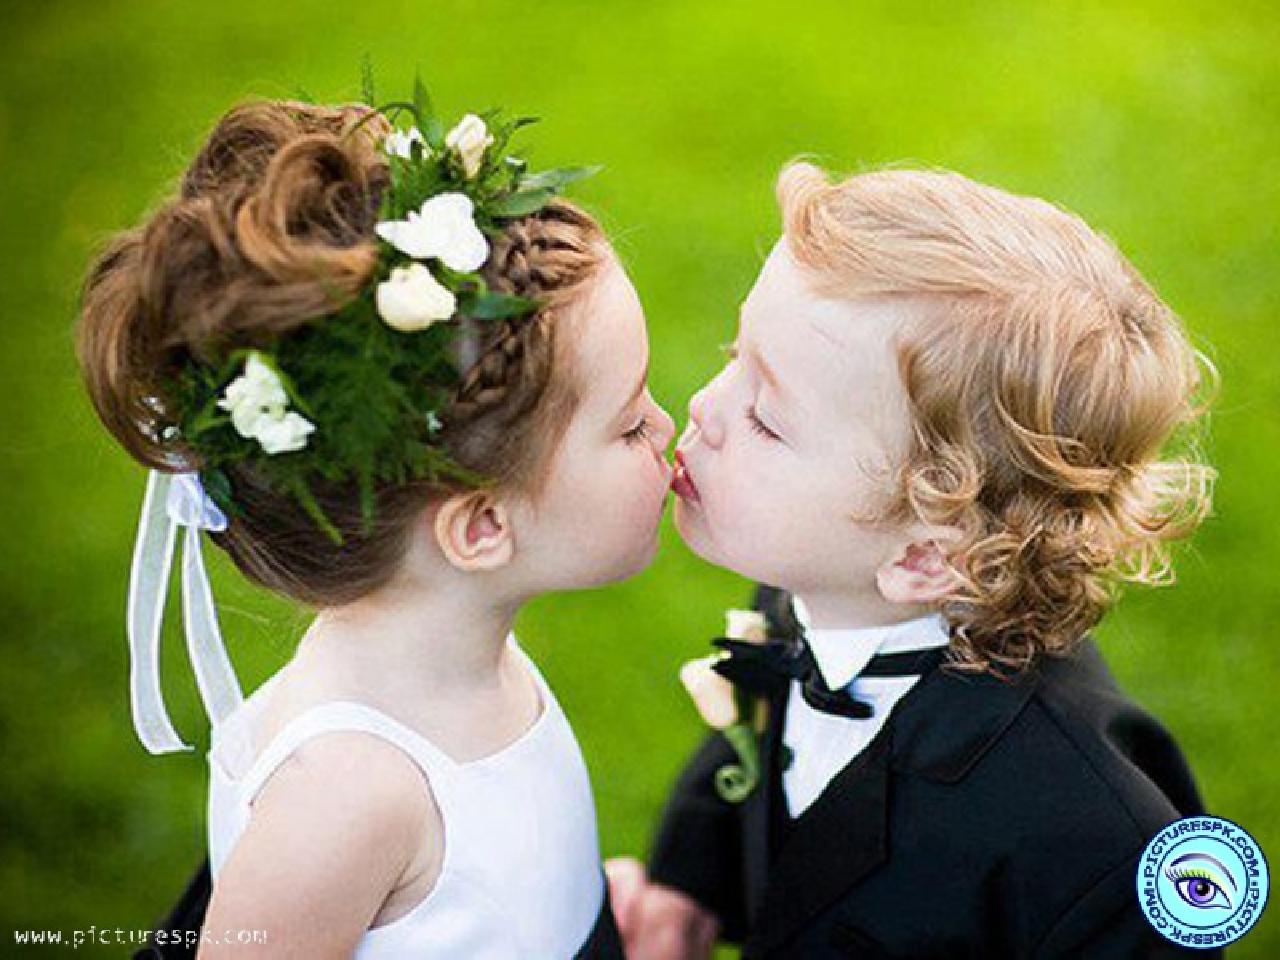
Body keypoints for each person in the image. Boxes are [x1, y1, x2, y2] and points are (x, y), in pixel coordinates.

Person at [76, 94, 675, 958]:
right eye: (627, 423)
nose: (668, 426)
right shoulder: (344, 799)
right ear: (478, 529)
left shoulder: (459, 661)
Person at [610, 163, 1220, 958]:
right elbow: (754, 747)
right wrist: (686, 886)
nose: (704, 405)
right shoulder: (818, 597)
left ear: (927, 556)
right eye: (737, 352)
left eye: (766, 417)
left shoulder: (1089, 838)